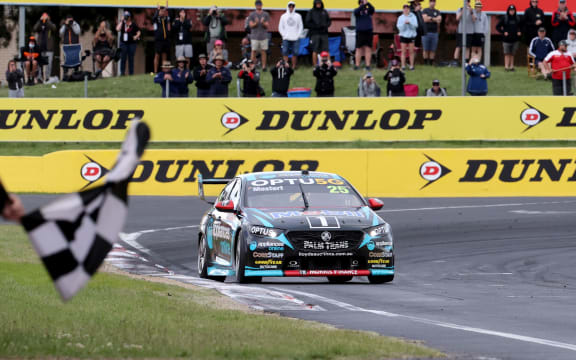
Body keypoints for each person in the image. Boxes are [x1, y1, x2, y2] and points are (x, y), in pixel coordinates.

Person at [305, 0, 331, 66]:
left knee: (326, 50)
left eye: (319, 3)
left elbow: (329, 21)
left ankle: (328, 64)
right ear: (314, 4)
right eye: (317, 3)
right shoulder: (311, 12)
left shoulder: (324, 11)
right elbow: (307, 22)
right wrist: (315, 26)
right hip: (315, 34)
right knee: (315, 50)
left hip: (324, 33)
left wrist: (326, 25)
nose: (318, 4)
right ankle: (315, 65)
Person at [496, 5, 522, 72]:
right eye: (510, 10)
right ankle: (506, 66)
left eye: (513, 10)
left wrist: (519, 31)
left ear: (515, 11)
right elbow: (497, 26)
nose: (512, 12)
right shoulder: (504, 18)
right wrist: (503, 32)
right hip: (506, 40)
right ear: (508, 11)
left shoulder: (517, 18)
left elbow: (521, 27)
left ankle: (511, 66)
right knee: (507, 53)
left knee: (513, 54)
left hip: (515, 39)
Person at [33, 12, 56, 82]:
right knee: (39, 64)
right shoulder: (40, 24)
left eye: (46, 16)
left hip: (49, 48)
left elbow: (54, 28)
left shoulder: (51, 24)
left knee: (49, 64)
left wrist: (47, 21)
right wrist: (39, 21)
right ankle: (39, 78)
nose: (44, 18)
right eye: (43, 16)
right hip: (40, 48)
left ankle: (47, 77)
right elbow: (35, 28)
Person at [279, 1, 303, 69]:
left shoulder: (298, 16)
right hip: (286, 38)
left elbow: (300, 27)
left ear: (294, 7)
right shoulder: (283, 16)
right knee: (285, 52)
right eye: (290, 6)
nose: (291, 7)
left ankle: (293, 66)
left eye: (293, 6)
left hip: (295, 38)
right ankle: (285, 66)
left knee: (295, 53)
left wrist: (298, 35)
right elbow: (280, 27)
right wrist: (284, 35)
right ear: (288, 6)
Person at [116, 11, 141, 76]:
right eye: (125, 16)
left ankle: (131, 73)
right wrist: (121, 21)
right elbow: (117, 29)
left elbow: (138, 32)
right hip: (123, 43)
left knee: (131, 58)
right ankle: (122, 73)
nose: (126, 18)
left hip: (132, 43)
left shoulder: (133, 24)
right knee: (123, 58)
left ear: (130, 17)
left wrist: (136, 36)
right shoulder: (123, 24)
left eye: (127, 16)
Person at [248, 0, 271, 70]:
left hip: (263, 36)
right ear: (255, 5)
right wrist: (256, 23)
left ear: (262, 5)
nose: (259, 6)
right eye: (257, 4)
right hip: (254, 36)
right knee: (253, 51)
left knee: (263, 51)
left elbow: (267, 25)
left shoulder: (266, 14)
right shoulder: (252, 14)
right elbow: (251, 25)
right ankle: (252, 66)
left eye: (260, 4)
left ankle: (264, 66)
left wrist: (263, 22)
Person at [354, 0, 375, 70]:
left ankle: (368, 65)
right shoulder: (357, 10)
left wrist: (368, 3)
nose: (363, 3)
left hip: (368, 31)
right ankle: (357, 65)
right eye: (361, 2)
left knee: (368, 48)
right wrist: (362, 5)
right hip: (360, 32)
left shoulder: (369, 11)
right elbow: (355, 12)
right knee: (358, 49)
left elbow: (373, 9)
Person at [397, 4, 418, 71]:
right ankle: (403, 66)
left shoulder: (413, 16)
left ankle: (411, 66)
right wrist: (404, 24)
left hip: (411, 36)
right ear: (403, 10)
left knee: (411, 52)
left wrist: (410, 23)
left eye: (407, 8)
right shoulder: (400, 17)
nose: (406, 10)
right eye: (404, 8)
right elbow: (399, 28)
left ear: (409, 10)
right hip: (403, 36)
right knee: (403, 52)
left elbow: (416, 26)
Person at [453, 0, 475, 65]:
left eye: (468, 1)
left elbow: (474, 20)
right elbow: (457, 18)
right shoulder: (460, 9)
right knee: (458, 46)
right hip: (461, 31)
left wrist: (471, 12)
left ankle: (466, 62)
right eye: (465, 1)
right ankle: (455, 61)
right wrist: (463, 11)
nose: (466, 3)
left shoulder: (472, 10)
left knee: (467, 47)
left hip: (469, 31)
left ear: (469, 2)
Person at [153, 2, 171, 73]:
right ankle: (155, 71)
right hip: (158, 40)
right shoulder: (157, 19)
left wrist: (166, 9)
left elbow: (169, 27)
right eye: (161, 11)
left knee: (164, 56)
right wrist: (157, 10)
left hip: (165, 40)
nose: (162, 12)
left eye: (163, 11)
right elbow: (154, 18)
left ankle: (164, 72)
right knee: (157, 55)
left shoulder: (166, 18)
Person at [421, 0, 442, 66]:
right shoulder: (425, 10)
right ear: (429, 2)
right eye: (431, 1)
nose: (432, 3)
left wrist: (430, 18)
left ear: (435, 3)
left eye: (434, 1)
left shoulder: (437, 11)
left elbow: (439, 20)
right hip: (425, 33)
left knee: (433, 49)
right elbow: (424, 19)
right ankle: (425, 63)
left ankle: (430, 63)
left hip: (435, 33)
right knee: (425, 49)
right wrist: (434, 19)